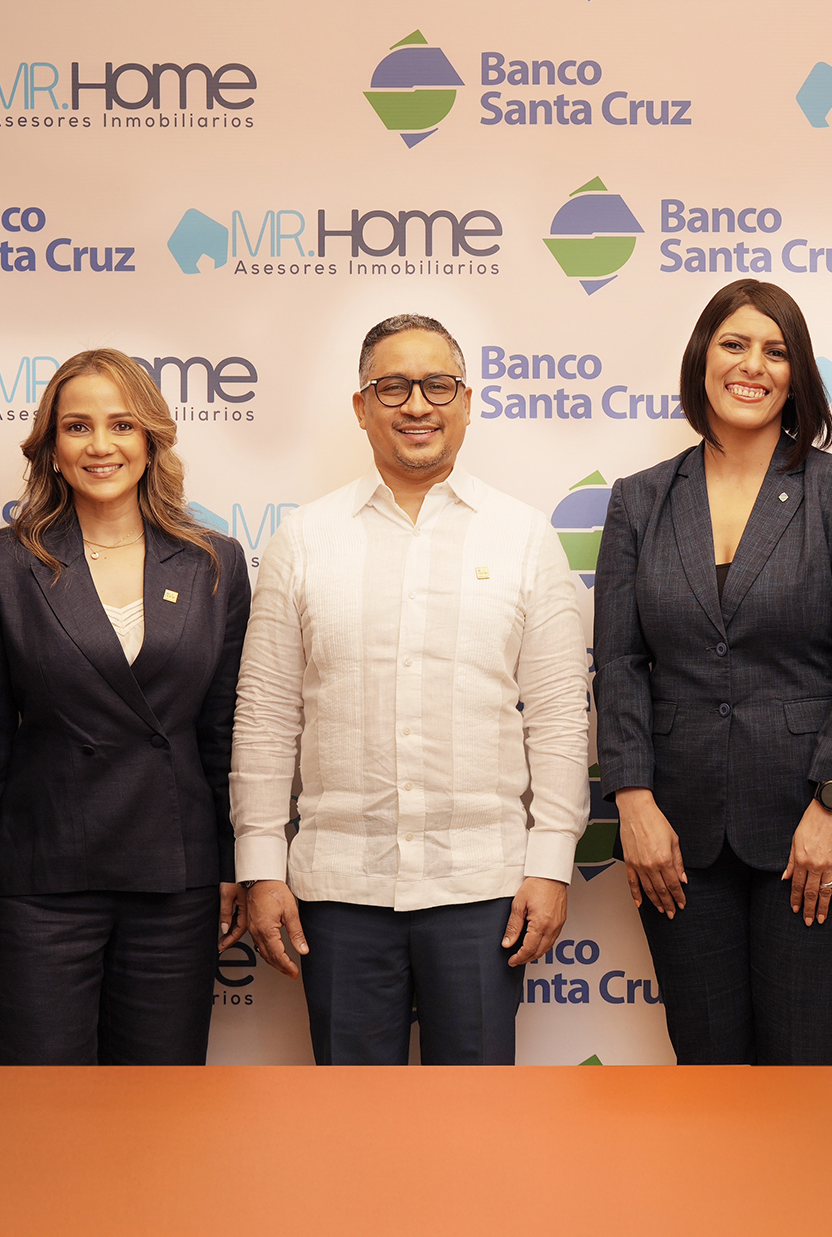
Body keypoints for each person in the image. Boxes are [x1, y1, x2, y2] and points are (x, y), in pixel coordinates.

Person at [232, 314, 589, 1066]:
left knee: (476, 1117)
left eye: (438, 385)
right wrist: (261, 865)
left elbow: (559, 714)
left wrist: (551, 862)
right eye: (392, 387)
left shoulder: (524, 536)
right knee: (353, 1119)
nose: (417, 405)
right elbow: (266, 715)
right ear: (361, 407)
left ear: (468, 402)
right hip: (339, 891)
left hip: (483, 889)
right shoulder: (304, 538)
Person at [593, 279, 832, 1065]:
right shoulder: (640, 500)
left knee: (804, 1083)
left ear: (797, 373)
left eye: (775, 351)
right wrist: (633, 800)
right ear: (701, 358)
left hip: (824, 833)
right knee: (709, 1085)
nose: (752, 365)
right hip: (679, 842)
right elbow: (620, 662)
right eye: (734, 344)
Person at [0, 349, 250, 1065]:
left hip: (175, 877)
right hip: (41, 879)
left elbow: (224, 732)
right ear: (51, 445)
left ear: (151, 439)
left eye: (122, 425)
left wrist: (235, 863)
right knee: (39, 1109)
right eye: (77, 426)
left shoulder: (213, 561)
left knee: (159, 1108)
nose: (100, 445)